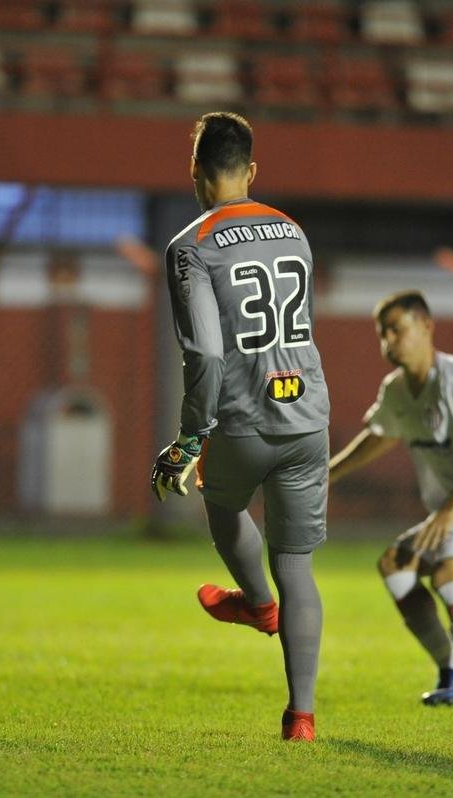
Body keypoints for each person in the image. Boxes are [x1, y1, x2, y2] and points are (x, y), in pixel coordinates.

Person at [149, 111, 331, 741]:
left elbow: (206, 353)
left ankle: (257, 604)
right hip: (308, 414)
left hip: (244, 421)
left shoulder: (190, 247)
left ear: (195, 173)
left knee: (224, 508)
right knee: (299, 564)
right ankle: (301, 718)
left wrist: (190, 440)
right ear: (251, 172)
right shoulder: (294, 231)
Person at [329, 291, 453, 709]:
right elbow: (380, 436)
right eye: (383, 333)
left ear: (426, 326)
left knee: (449, 574)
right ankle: (451, 669)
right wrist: (325, 474)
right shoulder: (398, 390)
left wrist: (449, 510)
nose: (389, 340)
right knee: (395, 564)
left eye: (397, 329)